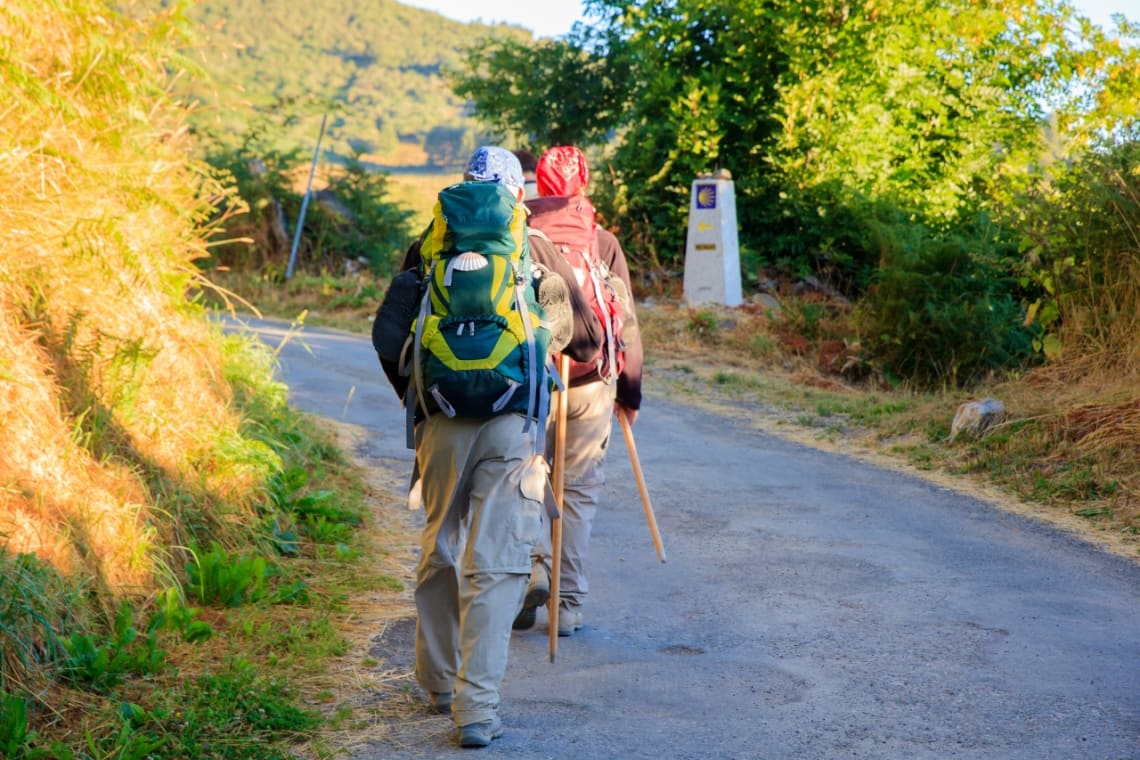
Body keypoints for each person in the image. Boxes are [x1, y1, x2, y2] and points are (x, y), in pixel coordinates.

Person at [374, 146, 602, 748]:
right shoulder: (530, 244)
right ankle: (474, 711)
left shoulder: (428, 246)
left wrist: (416, 395)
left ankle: (437, 684)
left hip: (439, 422)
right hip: (512, 424)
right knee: (498, 559)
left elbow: (387, 330)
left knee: (439, 543)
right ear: (516, 194)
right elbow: (582, 337)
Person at [514, 145, 644, 637]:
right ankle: (566, 607)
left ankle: (530, 569)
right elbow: (625, 323)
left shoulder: (519, 234)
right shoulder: (602, 240)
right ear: (583, 183)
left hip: (533, 381)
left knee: (527, 482)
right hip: (591, 380)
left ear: (539, 185)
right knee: (579, 494)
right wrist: (629, 396)